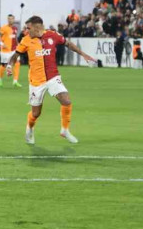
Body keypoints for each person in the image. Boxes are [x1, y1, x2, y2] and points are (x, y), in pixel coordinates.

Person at [6, 16, 96, 145]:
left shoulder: (52, 35)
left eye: (28, 28)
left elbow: (68, 44)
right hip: (36, 81)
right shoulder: (26, 40)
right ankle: (30, 128)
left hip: (53, 77)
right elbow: (15, 56)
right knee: (36, 113)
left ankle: (65, 130)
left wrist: (84, 55)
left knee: (66, 101)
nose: (26, 30)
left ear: (37, 28)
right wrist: (10, 66)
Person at [0, 14, 22, 87]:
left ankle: (15, 81)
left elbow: (15, 38)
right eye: (9, 19)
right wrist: (2, 43)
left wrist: (19, 45)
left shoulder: (15, 28)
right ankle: (0, 79)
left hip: (14, 50)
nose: (10, 20)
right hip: (5, 50)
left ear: (14, 19)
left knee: (17, 63)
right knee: (4, 65)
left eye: (11, 19)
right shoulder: (3, 28)